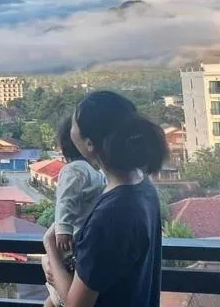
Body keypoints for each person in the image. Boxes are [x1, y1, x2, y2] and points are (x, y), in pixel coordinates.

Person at [43, 90, 168, 307]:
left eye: (74, 122)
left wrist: (51, 250)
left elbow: (76, 305)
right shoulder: (142, 186)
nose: (70, 127)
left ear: (89, 143)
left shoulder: (110, 215)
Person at [45, 116, 106, 307]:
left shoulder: (73, 170)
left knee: (54, 296)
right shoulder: (94, 172)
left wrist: (62, 229)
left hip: (72, 242)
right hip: (79, 239)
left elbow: (66, 201)